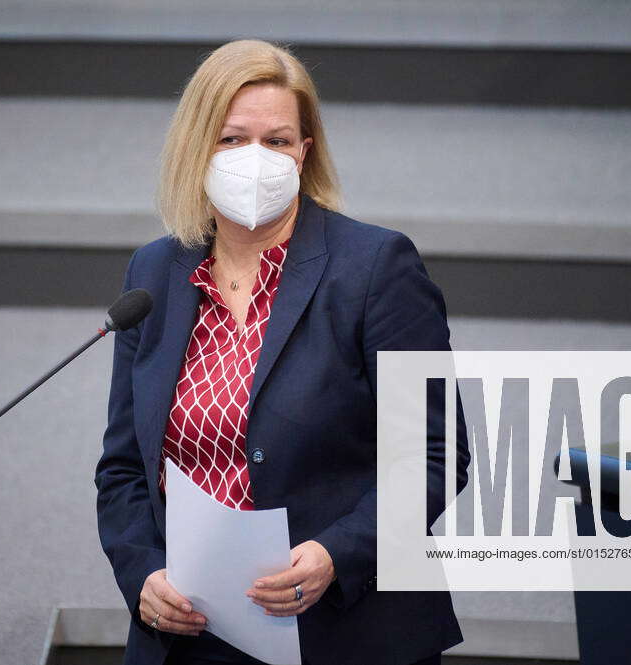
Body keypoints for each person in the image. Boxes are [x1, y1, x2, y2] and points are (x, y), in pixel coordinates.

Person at [94, 38, 470, 665]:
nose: (256, 159)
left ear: (305, 151)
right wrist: (143, 576)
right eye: (232, 139)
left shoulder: (376, 267)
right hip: (192, 632)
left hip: (344, 628)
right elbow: (124, 468)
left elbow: (432, 455)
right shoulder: (155, 273)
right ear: (197, 148)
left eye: (277, 140)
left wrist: (334, 553)